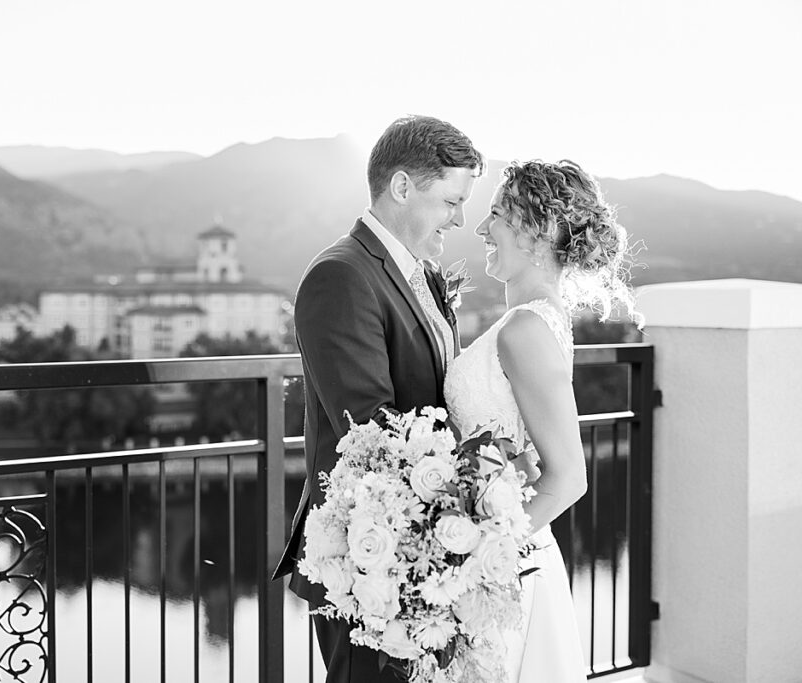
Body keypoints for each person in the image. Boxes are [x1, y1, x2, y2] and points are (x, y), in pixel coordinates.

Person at [272, 115, 484, 682]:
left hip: (418, 545)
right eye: (450, 201)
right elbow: (368, 430)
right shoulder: (340, 276)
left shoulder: (415, 271)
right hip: (367, 556)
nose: (460, 218)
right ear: (402, 187)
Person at [444, 159, 639, 682]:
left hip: (507, 566)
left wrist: (478, 565)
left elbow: (570, 477)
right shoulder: (539, 316)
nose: (482, 229)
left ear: (540, 230)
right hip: (511, 550)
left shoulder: (527, 328)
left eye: (498, 215)